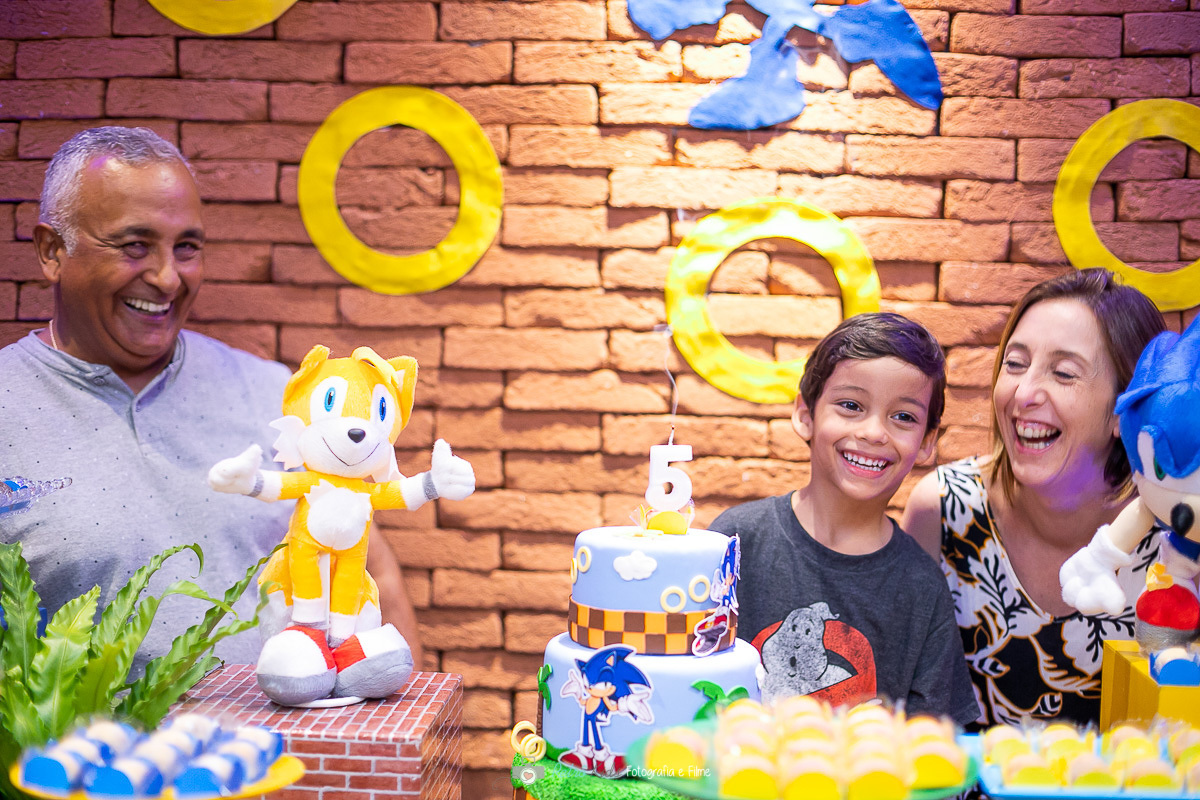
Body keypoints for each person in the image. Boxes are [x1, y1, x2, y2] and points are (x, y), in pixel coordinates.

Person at [0, 126, 423, 672]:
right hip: (70, 758)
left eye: (187, 248)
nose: (167, 277)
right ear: (53, 251)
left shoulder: (275, 396)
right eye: (134, 245)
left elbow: (373, 572)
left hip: (281, 756)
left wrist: (403, 739)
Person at [901, 268, 1166, 726]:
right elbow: (904, 707)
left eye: (1064, 373)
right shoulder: (945, 511)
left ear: (1125, 409)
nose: (1023, 394)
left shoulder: (1173, 535)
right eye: (1015, 364)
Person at [710, 312, 979, 725]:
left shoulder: (921, 587)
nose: (874, 432)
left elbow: (933, 746)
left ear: (926, 443)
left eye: (903, 416)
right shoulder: (736, 540)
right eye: (851, 405)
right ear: (805, 414)